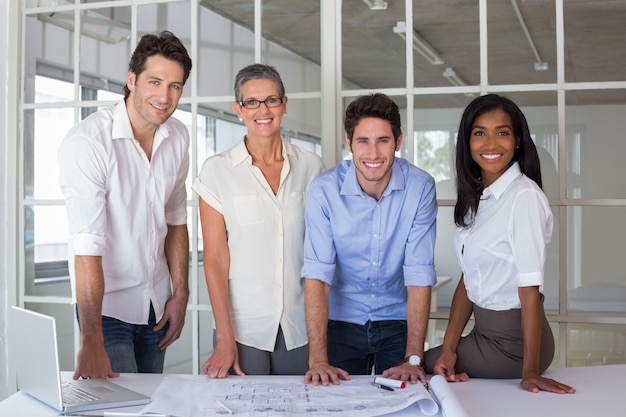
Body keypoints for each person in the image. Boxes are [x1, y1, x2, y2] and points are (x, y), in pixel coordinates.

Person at [58, 31, 192, 379]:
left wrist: (180, 294)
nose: (164, 96)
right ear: (131, 80)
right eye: (155, 81)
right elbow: (87, 246)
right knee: (118, 408)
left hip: (156, 306)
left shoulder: (178, 136)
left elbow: (176, 219)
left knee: (151, 407)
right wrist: (91, 339)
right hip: (107, 312)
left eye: (175, 86)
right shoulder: (89, 143)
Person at [423, 94, 575, 394]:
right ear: (467, 142)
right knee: (427, 363)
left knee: (413, 365)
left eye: (502, 133)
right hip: (484, 334)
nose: (491, 144)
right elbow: (470, 278)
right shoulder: (479, 200)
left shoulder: (524, 198)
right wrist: (450, 348)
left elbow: (529, 288)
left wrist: (529, 371)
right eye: (480, 133)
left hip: (516, 346)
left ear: (517, 139)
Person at [193, 64, 324, 378]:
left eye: (271, 100)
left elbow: (321, 253)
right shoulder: (216, 171)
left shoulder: (312, 167)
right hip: (242, 329)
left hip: (299, 326)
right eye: (251, 102)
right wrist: (224, 337)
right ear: (238, 109)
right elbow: (214, 259)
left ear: (284, 104)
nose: (262, 110)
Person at [302, 93, 438, 386]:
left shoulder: (420, 187)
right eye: (363, 141)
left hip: (397, 323)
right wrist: (318, 359)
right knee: (337, 404)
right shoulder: (324, 191)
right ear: (348, 143)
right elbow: (317, 275)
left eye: (383, 140)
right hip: (340, 323)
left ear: (398, 142)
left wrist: (414, 357)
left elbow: (419, 272)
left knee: (407, 401)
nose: (373, 153)